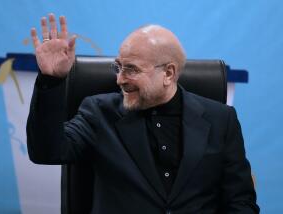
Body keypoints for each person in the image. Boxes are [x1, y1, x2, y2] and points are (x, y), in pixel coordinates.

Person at [27, 13, 259, 213]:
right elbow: (47, 152)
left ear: (168, 73)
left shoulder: (221, 120)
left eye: (131, 69)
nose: (119, 79)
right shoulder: (99, 113)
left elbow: (240, 200)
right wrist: (51, 81)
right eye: (118, 67)